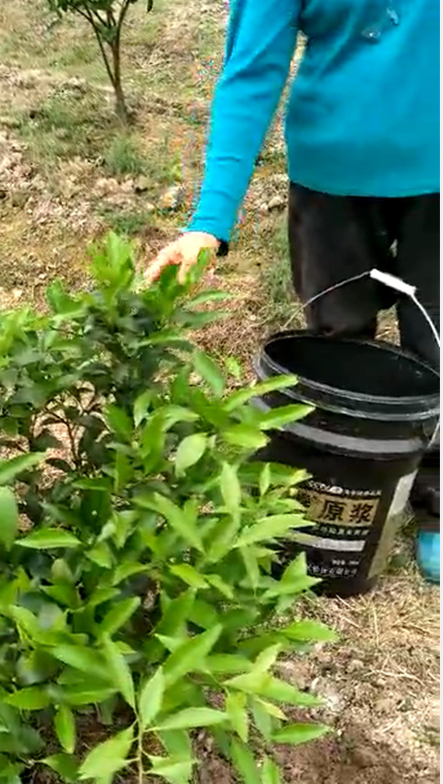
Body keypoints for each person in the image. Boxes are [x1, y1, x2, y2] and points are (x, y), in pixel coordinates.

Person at [146, 0, 440, 582]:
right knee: (337, 342)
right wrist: (210, 220)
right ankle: (337, 487)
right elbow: (252, 70)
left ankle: (436, 502)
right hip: (331, 180)